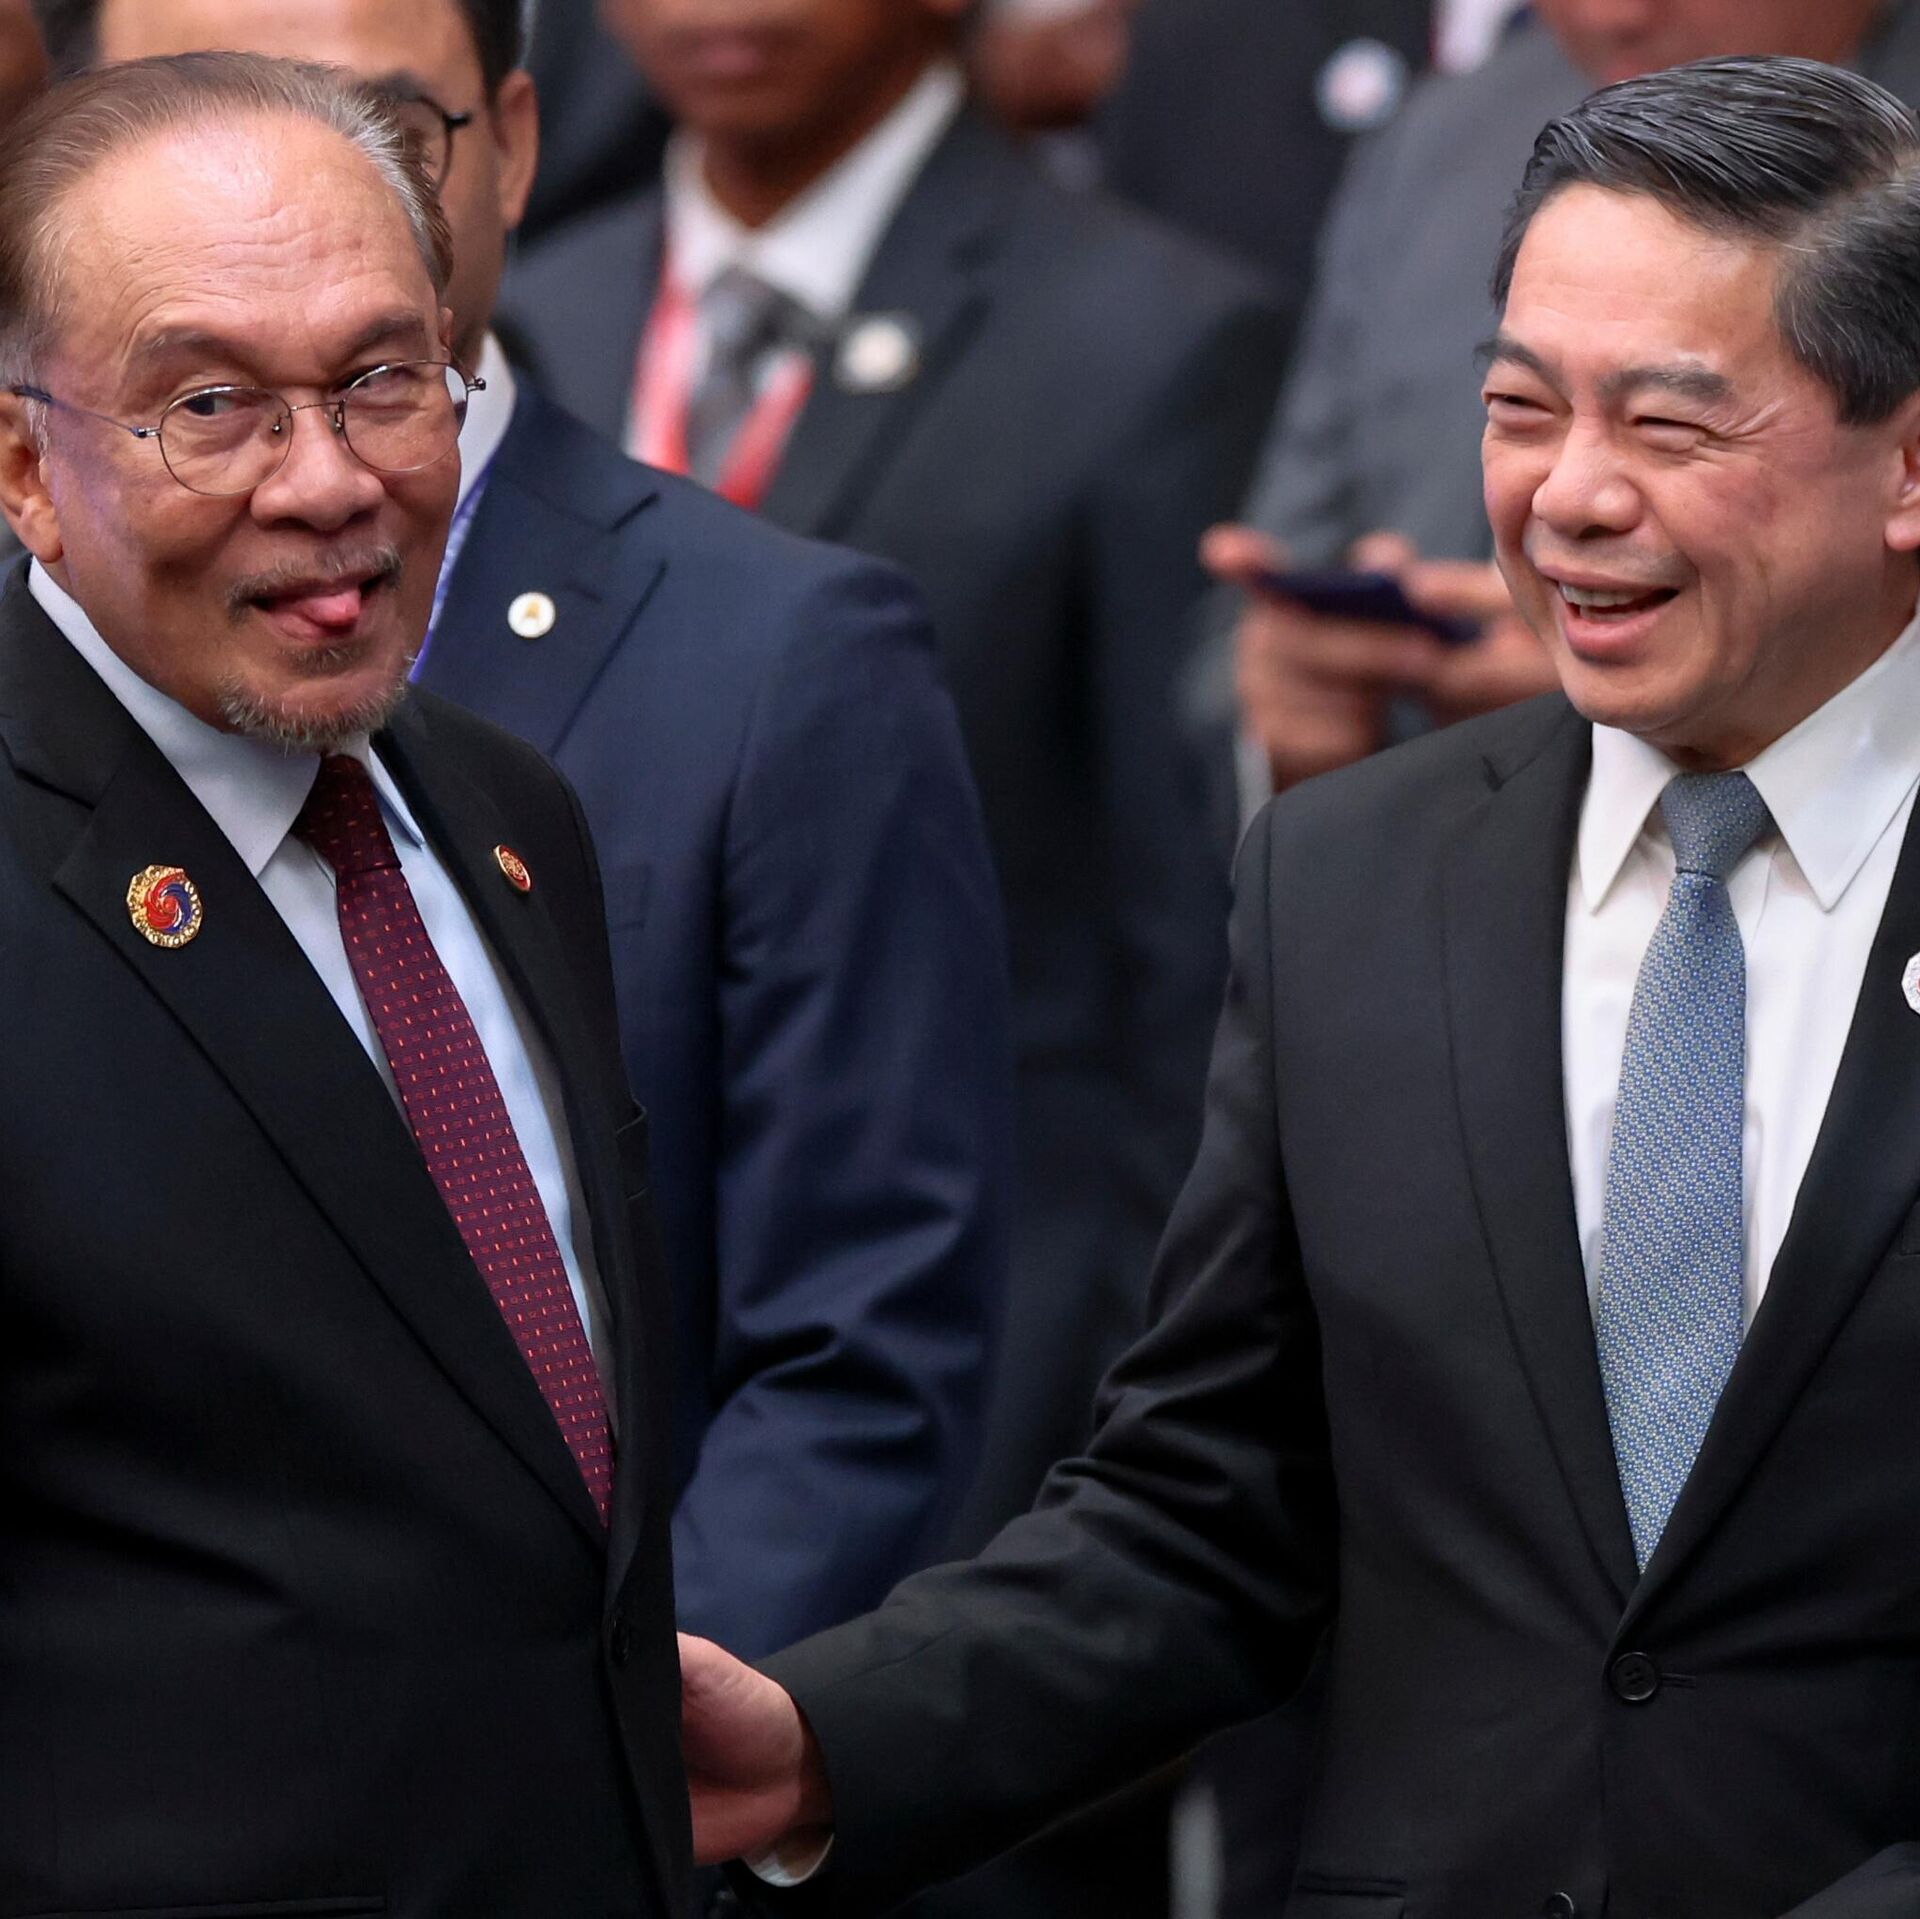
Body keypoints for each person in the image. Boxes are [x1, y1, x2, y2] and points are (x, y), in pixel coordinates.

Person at [679, 55, 1920, 1919]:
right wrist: (818, 1736)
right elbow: (1207, 1513)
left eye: (1670, 425)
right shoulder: (1352, 878)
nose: (1570, 495)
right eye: (1519, 410)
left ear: (1908, 464)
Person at [44, 0, 1016, 1666]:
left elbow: (861, 1339)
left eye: (366, 125)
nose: (273, 179)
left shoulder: (769, 662)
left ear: (507, 146)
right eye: (177, 110)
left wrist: (624, 1747)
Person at [0, 50, 684, 1913]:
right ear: (26, 467)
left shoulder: (504, 815)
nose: (329, 483)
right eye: (209, 406)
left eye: (386, 378)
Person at [1213, 0, 1920, 803]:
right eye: (1518, 407)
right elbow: (1256, 614)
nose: (1609, 13)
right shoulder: (1446, 140)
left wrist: (1654, 699)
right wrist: (1303, 743)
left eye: (1666, 423)